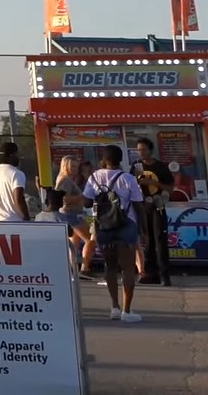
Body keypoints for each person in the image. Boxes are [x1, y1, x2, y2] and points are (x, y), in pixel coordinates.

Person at [81, 146, 144, 322]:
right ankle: (127, 310)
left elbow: (86, 202)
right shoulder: (128, 179)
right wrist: (143, 230)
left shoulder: (94, 177)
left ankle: (114, 307)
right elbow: (138, 205)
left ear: (104, 159)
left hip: (104, 226)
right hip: (126, 225)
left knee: (110, 266)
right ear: (120, 159)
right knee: (128, 267)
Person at [131, 138, 172, 286]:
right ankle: (150, 273)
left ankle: (164, 275)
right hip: (142, 207)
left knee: (160, 240)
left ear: (150, 150)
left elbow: (170, 187)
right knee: (146, 241)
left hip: (157, 206)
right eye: (139, 150)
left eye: (144, 150)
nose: (141, 153)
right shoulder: (136, 166)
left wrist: (154, 183)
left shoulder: (160, 167)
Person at [49, 155, 89, 273]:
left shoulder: (68, 179)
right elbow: (64, 198)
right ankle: (85, 268)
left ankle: (71, 268)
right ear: (65, 166)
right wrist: (81, 196)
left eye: (77, 166)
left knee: (74, 243)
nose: (75, 169)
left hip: (72, 213)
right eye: (72, 166)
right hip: (71, 213)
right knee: (90, 239)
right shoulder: (65, 180)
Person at [0, 145, 33, 222]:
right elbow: (19, 199)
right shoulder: (16, 174)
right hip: (14, 221)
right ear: (12, 155)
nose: (18, 158)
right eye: (17, 154)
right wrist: (27, 218)